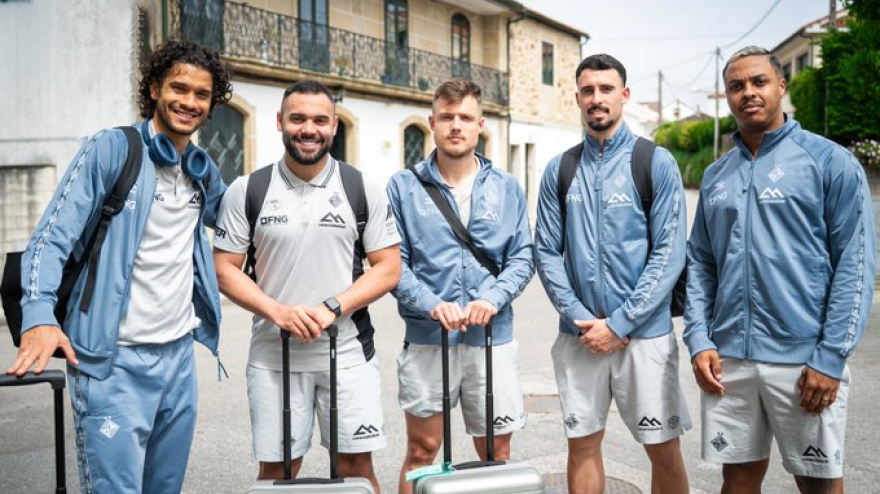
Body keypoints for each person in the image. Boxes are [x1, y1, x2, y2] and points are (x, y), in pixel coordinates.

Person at [6, 39, 233, 493]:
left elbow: (240, 224)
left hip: (178, 359)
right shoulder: (112, 149)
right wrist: (38, 316)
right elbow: (50, 238)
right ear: (153, 87)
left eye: (201, 94)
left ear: (211, 105)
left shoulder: (200, 170)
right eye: (178, 87)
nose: (188, 101)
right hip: (113, 363)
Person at [684, 46, 876, 494]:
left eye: (758, 82)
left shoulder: (829, 162)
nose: (747, 93)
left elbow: (857, 261)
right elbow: (701, 263)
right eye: (736, 86)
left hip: (804, 358)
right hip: (729, 358)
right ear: (726, 96)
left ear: (781, 86)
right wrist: (698, 338)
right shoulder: (716, 176)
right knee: (737, 480)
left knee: (818, 481)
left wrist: (830, 356)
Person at [212, 80, 401, 492]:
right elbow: (224, 268)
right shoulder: (248, 189)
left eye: (319, 120)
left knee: (357, 470)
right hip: (273, 356)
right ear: (280, 122)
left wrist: (332, 306)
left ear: (334, 126)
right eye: (297, 118)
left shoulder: (361, 186)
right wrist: (279, 312)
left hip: (348, 353)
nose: (308, 129)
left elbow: (388, 267)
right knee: (278, 474)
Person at [534, 54, 691, 494]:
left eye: (606, 89)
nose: (596, 98)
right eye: (588, 90)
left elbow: (669, 252)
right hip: (579, 335)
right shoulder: (560, 169)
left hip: (645, 336)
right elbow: (545, 251)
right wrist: (584, 320)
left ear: (624, 95)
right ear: (577, 98)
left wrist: (620, 323)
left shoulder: (654, 162)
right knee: (582, 445)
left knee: (663, 448)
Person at [387, 78, 534, 494]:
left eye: (465, 118)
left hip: (492, 338)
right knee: (422, 449)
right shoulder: (402, 186)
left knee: (495, 451)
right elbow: (393, 264)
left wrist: (493, 297)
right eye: (447, 117)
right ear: (431, 123)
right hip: (428, 337)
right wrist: (432, 304)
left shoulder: (506, 186)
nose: (456, 125)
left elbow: (523, 256)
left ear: (480, 125)